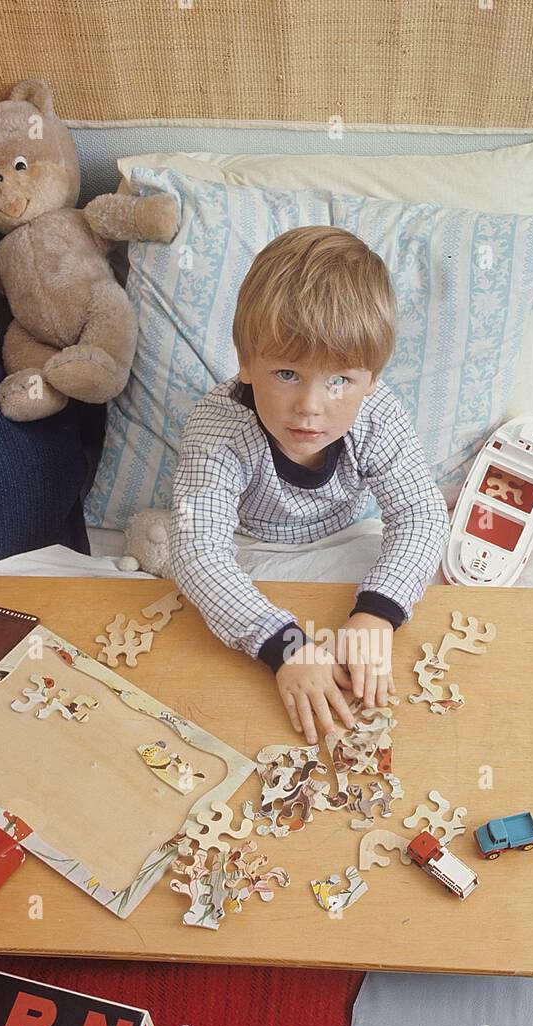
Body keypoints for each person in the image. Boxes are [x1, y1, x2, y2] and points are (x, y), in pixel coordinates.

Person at [170, 226, 447, 744]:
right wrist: (285, 646)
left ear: (373, 379)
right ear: (246, 363)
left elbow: (421, 515)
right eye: (287, 374)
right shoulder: (217, 430)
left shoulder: (378, 415)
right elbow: (199, 552)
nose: (310, 408)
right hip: (248, 553)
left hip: (347, 545)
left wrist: (378, 614)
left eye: (340, 380)